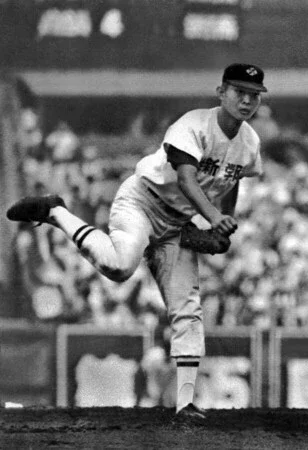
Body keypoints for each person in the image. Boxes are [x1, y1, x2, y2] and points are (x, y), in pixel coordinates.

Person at [7, 63, 267, 419]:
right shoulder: (193, 125)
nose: (247, 100)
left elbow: (231, 179)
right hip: (143, 202)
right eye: (239, 92)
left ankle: (185, 404)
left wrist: (225, 223)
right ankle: (55, 211)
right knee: (119, 266)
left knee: (188, 308)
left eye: (254, 95)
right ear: (221, 92)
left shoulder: (249, 143)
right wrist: (212, 217)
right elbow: (187, 180)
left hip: (177, 224)